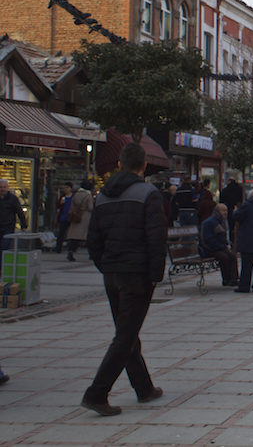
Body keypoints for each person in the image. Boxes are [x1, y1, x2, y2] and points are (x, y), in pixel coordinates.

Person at [81, 142, 167, 416]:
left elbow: (92, 240)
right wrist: (155, 275)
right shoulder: (148, 194)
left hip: (112, 273)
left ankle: (143, 387)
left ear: (119, 164)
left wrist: (105, 265)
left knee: (126, 331)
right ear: (143, 166)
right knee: (126, 334)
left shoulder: (103, 196)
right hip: (136, 274)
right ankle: (97, 393)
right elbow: (156, 238)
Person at [199, 203, 238, 287]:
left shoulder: (221, 221)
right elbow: (207, 240)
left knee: (232, 256)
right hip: (209, 249)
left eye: (226, 210)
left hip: (220, 247)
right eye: (223, 210)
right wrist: (221, 246)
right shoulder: (209, 222)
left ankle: (234, 279)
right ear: (217, 211)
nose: (225, 212)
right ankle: (226, 279)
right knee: (224, 257)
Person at [66, 180, 95, 261]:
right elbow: (90, 207)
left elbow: (72, 205)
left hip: (76, 216)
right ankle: (91, 254)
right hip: (85, 216)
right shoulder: (88, 196)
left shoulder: (76, 194)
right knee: (87, 236)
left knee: (75, 236)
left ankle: (71, 251)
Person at [219, 177, 243, 242]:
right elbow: (241, 199)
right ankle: (236, 239)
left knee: (230, 225)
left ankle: (231, 240)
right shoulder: (240, 189)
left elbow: (221, 201)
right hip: (237, 208)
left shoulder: (225, 190)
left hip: (228, 209)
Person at [54, 182, 74, 253]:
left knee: (71, 234)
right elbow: (58, 206)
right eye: (64, 188)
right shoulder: (62, 197)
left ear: (71, 188)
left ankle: (71, 248)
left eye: (67, 188)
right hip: (63, 217)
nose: (65, 189)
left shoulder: (73, 197)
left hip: (71, 217)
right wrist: (60, 203)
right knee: (61, 233)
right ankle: (58, 248)